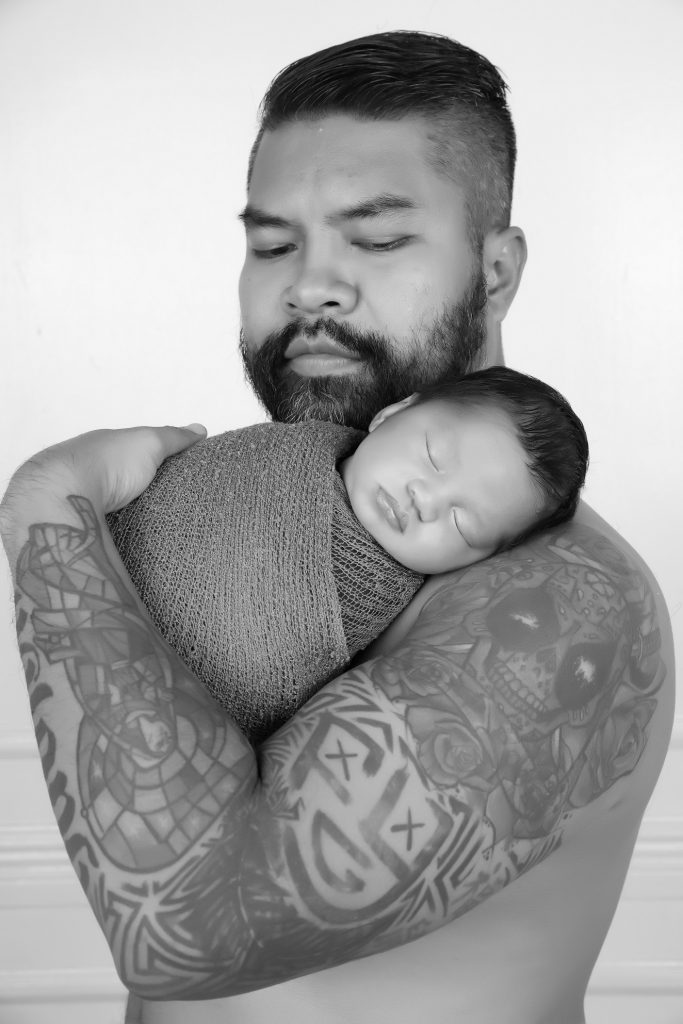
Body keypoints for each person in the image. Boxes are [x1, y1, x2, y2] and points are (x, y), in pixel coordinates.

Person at [0, 30, 673, 1024]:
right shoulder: (255, 515)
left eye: (377, 237)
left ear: (494, 270)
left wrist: (47, 507)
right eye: (274, 244)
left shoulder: (554, 610)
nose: (308, 286)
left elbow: (182, 931)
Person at [105, 366, 589, 743]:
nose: (426, 498)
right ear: (392, 413)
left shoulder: (383, 613)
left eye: (463, 522)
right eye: (432, 456)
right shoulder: (277, 450)